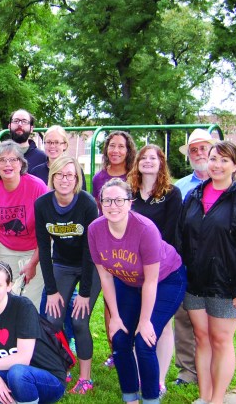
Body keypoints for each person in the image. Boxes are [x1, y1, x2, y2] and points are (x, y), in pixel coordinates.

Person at [88, 178, 187, 404]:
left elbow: (151, 281)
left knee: (144, 341)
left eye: (119, 200)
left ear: (130, 202)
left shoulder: (145, 229)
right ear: (100, 203)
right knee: (120, 338)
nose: (113, 206)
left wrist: (144, 321)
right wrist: (114, 317)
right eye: (107, 201)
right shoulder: (95, 230)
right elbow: (105, 277)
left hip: (166, 280)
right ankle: (130, 398)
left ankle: (151, 398)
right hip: (129, 281)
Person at [178, 141, 236, 404]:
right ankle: (204, 397)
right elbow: (181, 236)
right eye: (214, 159)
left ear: (235, 166)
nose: (217, 165)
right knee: (202, 338)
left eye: (224, 160)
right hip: (195, 281)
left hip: (226, 284)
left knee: (221, 340)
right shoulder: (194, 195)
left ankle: (217, 399)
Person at [35, 156, 100, 394]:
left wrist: (84, 293)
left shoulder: (87, 203)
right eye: (60, 174)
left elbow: (90, 249)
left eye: (70, 175)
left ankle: (85, 379)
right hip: (62, 264)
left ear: (77, 179)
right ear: (52, 177)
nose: (65, 180)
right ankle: (62, 366)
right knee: (53, 320)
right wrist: (51, 291)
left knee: (80, 321)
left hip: (90, 264)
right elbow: (44, 249)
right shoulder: (42, 204)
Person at [0, 261, 67, 404]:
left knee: (17, 373)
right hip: (13, 374)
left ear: (9, 286)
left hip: (48, 378)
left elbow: (23, 359)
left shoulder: (23, 307)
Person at [126, 144, 183, 396]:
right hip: (132, 267)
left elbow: (171, 232)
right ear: (137, 163)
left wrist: (153, 261)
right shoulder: (129, 192)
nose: (148, 161)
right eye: (143, 158)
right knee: (138, 321)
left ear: (161, 163)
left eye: (153, 158)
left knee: (162, 324)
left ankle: (159, 379)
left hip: (162, 266)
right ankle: (141, 375)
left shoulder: (171, 193)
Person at [0, 140, 48, 310]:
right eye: (2, 160)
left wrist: (33, 263)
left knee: (30, 303)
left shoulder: (37, 187)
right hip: (5, 249)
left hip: (34, 249)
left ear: (21, 163)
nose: (8, 164)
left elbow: (46, 232)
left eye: (13, 159)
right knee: (5, 300)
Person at [172, 128, 217, 386]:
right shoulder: (180, 188)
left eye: (203, 148)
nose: (199, 153)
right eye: (194, 150)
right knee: (183, 318)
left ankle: (214, 367)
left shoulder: (227, 185)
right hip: (186, 263)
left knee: (216, 320)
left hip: (217, 264)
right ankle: (187, 371)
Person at [91, 130, 137, 368]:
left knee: (130, 299)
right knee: (110, 301)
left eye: (121, 146)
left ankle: (134, 349)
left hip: (131, 245)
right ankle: (115, 351)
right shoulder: (99, 178)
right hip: (107, 246)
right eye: (112, 146)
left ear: (128, 151)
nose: (116, 150)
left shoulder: (135, 175)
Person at [29, 125, 86, 190]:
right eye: (48, 142)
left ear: (65, 145)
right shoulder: (36, 172)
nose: (52, 146)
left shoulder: (75, 170)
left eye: (56, 142)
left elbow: (81, 194)